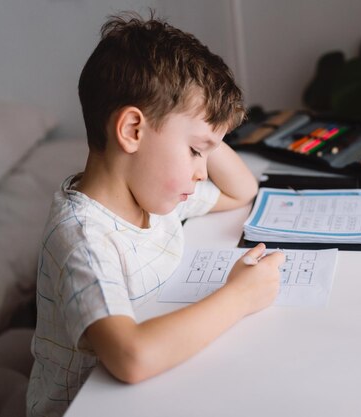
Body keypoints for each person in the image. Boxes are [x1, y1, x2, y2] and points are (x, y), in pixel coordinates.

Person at [26, 11, 284, 417]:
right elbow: (132, 358)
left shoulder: (155, 199)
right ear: (132, 131)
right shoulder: (82, 239)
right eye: (196, 152)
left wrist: (208, 135)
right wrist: (241, 296)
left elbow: (242, 191)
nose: (202, 171)